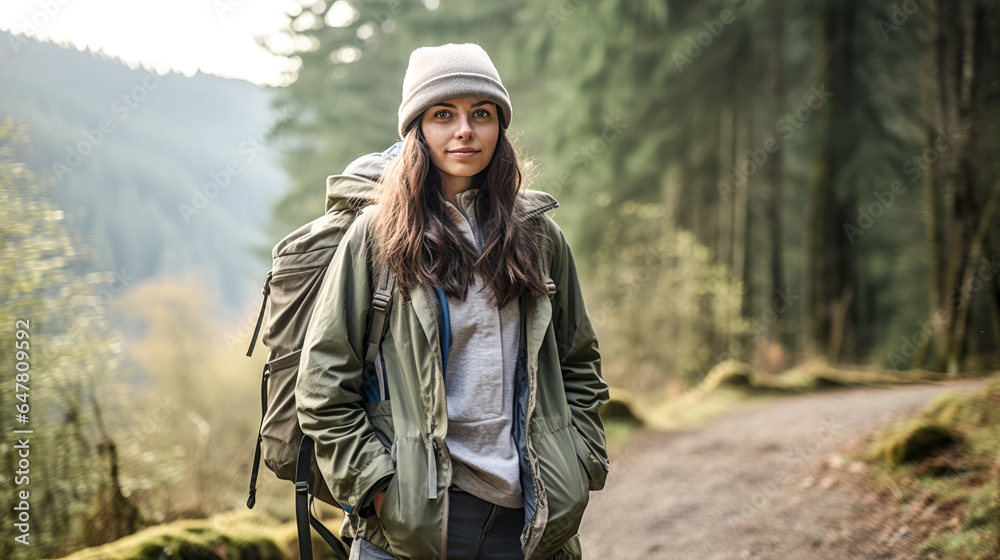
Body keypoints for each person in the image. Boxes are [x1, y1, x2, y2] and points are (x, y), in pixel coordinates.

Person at [296, 43, 609, 560]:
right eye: (444, 114)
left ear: (499, 130)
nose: (464, 130)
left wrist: (580, 459)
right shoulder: (377, 237)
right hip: (411, 527)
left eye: (481, 114)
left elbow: (579, 362)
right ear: (417, 130)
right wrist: (377, 487)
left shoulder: (540, 237)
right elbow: (324, 381)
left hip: (529, 521)